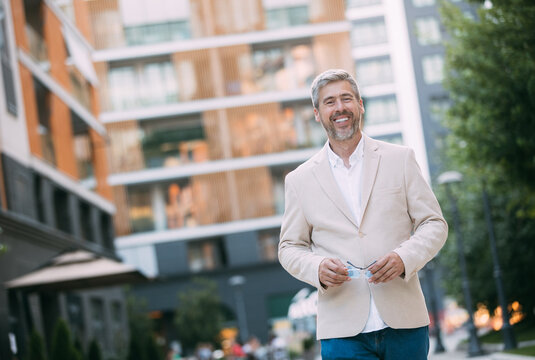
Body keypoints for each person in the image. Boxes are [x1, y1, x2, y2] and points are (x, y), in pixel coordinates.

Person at [278, 69, 448, 360]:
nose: (340, 107)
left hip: (404, 322)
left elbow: (434, 224)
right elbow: (289, 248)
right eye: (329, 102)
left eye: (347, 98)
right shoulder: (299, 180)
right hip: (342, 332)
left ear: (360, 105)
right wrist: (316, 267)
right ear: (317, 114)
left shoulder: (400, 159)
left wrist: (403, 258)